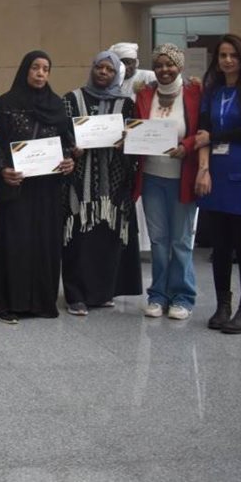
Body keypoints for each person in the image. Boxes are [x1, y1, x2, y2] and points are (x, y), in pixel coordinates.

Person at [0, 51, 76, 324]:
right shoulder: (6, 103)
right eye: (35, 67)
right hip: (17, 186)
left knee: (44, 243)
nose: (40, 73)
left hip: (47, 189)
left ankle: (41, 302)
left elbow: (67, 143)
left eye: (46, 69)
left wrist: (69, 161)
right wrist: (2, 170)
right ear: (25, 69)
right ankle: (9, 304)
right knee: (15, 243)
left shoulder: (57, 105)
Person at [195, 34, 241, 335]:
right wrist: (204, 169)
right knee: (221, 246)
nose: (228, 60)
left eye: (234, 55)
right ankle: (222, 306)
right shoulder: (212, 90)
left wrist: (214, 138)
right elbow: (202, 129)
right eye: (223, 55)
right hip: (216, 174)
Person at [60, 51, 142, 315]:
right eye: (99, 67)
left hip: (113, 187)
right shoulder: (71, 99)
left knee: (108, 240)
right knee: (78, 241)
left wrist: (127, 143)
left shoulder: (127, 104)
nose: (103, 72)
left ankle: (102, 294)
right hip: (79, 187)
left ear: (117, 74)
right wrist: (71, 149)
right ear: (92, 69)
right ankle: (76, 296)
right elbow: (60, 134)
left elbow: (135, 139)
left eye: (109, 69)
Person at [134, 44, 202, 320]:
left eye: (170, 64)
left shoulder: (194, 93)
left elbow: (201, 130)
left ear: (180, 66)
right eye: (159, 65)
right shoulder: (144, 93)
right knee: (159, 240)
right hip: (152, 177)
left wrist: (186, 146)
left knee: (181, 241)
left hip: (182, 179)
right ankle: (158, 295)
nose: (164, 69)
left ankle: (183, 296)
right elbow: (136, 127)